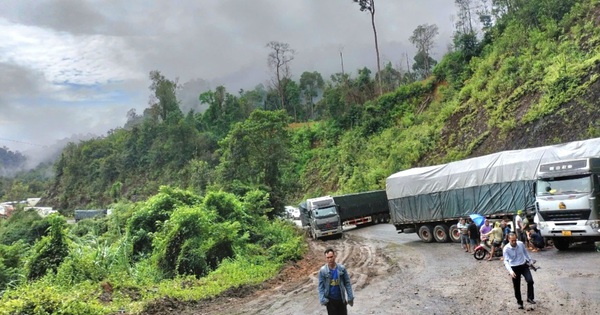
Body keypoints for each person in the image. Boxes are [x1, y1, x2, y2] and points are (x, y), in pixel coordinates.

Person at [503, 233, 536, 309]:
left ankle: (530, 298)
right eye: (512, 241)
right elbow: (506, 261)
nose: (514, 242)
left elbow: (525, 253)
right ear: (509, 240)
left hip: (523, 265)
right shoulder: (506, 249)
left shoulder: (520, 244)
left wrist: (530, 261)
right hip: (514, 267)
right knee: (517, 286)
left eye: (515, 240)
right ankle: (519, 302)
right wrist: (511, 271)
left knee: (530, 281)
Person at [318, 248, 354, 315]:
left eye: (331, 257)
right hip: (330, 301)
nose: (330, 259)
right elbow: (321, 286)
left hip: (341, 299)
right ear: (325, 258)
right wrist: (322, 298)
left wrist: (350, 296)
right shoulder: (323, 271)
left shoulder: (341, 268)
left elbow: (347, 283)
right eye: (327, 257)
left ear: (334, 256)